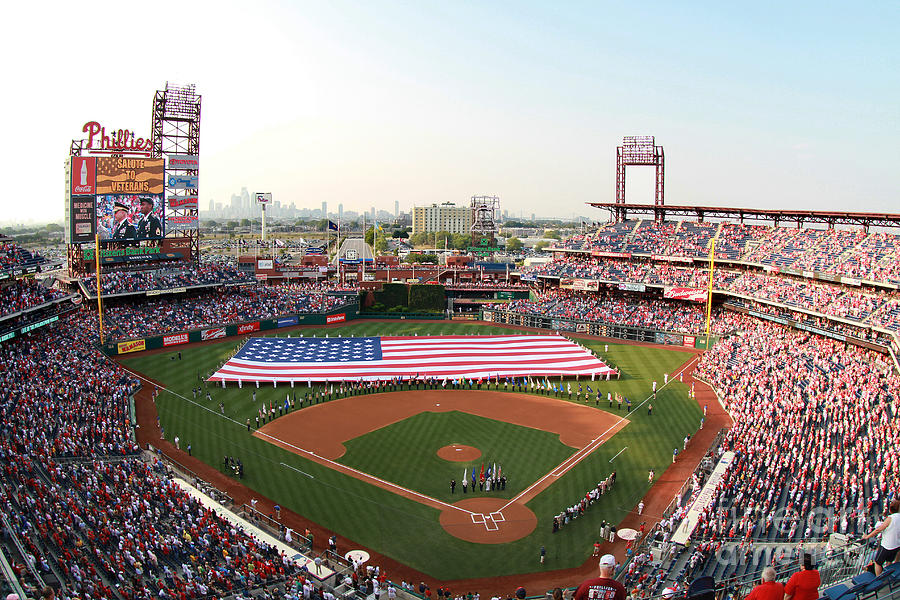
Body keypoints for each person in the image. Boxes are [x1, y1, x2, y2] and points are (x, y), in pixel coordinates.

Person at [863, 499, 900, 575]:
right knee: (889, 561)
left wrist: (867, 536)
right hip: (897, 545)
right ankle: (887, 575)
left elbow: (878, 530)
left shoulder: (890, 518)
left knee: (877, 563)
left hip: (887, 546)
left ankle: (879, 579)